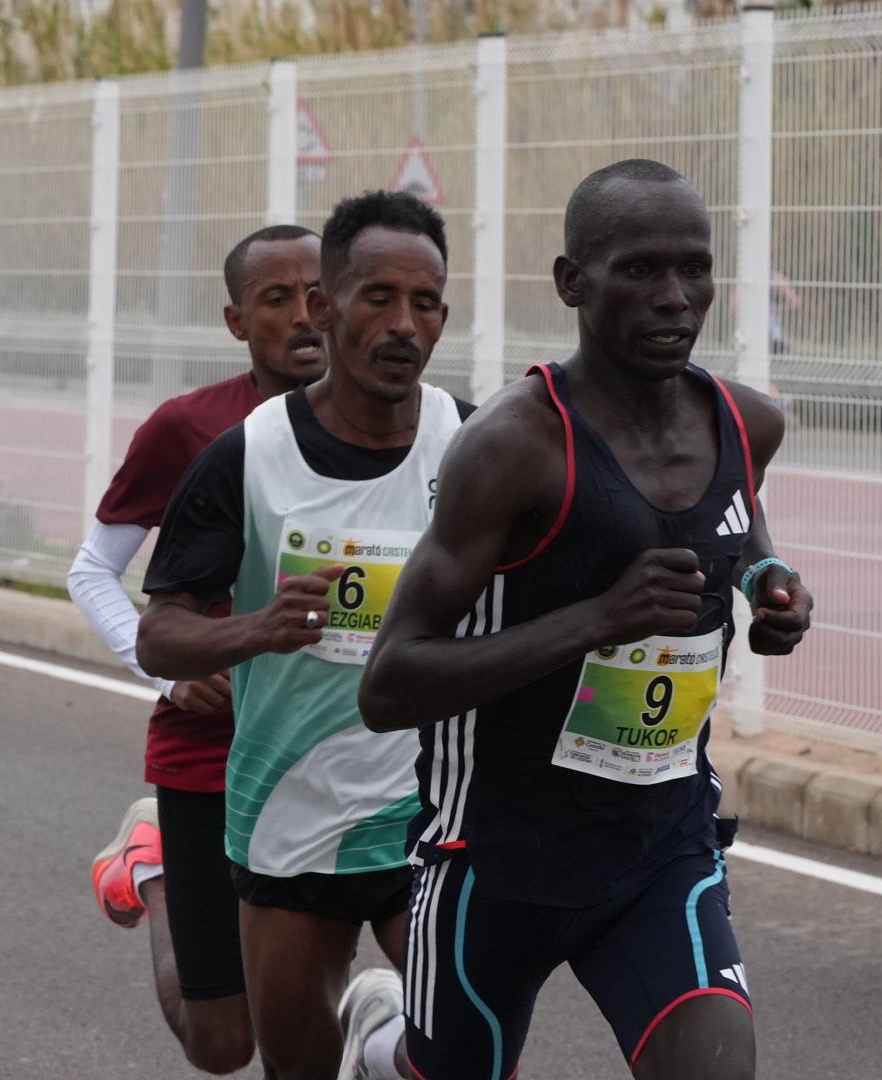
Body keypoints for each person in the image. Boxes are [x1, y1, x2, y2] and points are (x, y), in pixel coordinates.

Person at [359, 159, 813, 1080]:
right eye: (640, 271)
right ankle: (376, 1046)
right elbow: (390, 680)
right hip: (495, 856)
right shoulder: (512, 447)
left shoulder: (745, 423)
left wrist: (768, 580)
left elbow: (740, 522)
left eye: (695, 269)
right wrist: (595, 620)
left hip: (659, 845)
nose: (676, 298)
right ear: (573, 282)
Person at [136, 190, 471, 1080]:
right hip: (290, 812)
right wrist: (257, 630)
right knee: (275, 1061)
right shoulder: (247, 454)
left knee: (471, 1052)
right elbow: (159, 635)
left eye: (426, 303)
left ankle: (379, 1032)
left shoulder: (471, 442)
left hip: (430, 812)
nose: (404, 324)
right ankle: (154, 867)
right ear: (327, 308)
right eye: (377, 298)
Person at [76, 224, 325, 1074]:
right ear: (235, 321)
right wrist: (167, 672)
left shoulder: (403, 425)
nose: (305, 317)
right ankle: (152, 873)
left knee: (338, 985)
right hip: (211, 748)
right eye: (277, 299)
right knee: (223, 1045)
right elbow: (93, 571)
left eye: (320, 294)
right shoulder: (188, 429)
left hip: (342, 750)